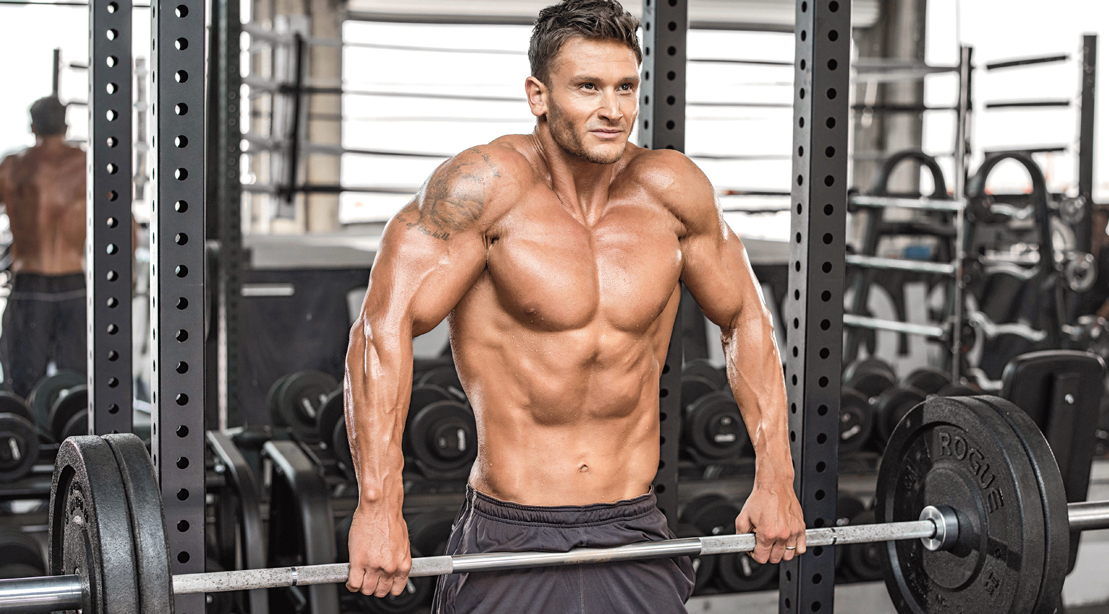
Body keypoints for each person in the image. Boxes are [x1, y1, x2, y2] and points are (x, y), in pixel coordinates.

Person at [343, 1, 806, 611]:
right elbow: (382, 329)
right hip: (514, 531)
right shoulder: (482, 187)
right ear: (538, 95)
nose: (612, 109)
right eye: (588, 87)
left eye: (624, 87)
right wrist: (379, 506)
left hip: (633, 527)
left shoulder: (672, 192)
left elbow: (746, 317)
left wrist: (775, 473)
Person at [0, 96, 87, 398]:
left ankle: (23, 444)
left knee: (22, 390)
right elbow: (123, 222)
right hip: (75, 282)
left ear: (32, 126)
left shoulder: (12, 167)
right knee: (78, 392)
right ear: (66, 125)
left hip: (30, 283)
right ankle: (79, 444)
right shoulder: (87, 166)